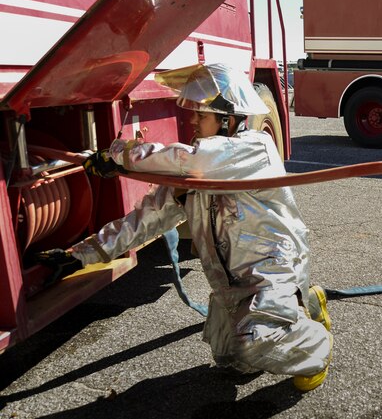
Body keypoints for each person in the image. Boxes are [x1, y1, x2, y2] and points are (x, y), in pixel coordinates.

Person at [37, 63, 332, 392]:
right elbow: (145, 220)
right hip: (234, 285)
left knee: (256, 343)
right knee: (231, 359)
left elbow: (196, 161)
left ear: (227, 119)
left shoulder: (254, 150)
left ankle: (317, 344)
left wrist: (118, 155)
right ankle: (304, 306)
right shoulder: (193, 174)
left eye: (200, 116)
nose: (192, 123)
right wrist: (80, 256)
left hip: (273, 271)